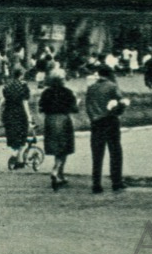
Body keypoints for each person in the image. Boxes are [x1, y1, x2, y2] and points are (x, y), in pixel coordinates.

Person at [85, 65, 130, 193]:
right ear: (110, 74)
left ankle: (96, 184)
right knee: (115, 151)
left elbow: (88, 106)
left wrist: (93, 117)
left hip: (96, 123)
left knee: (97, 154)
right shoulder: (112, 86)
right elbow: (120, 101)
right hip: (110, 121)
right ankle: (116, 181)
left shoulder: (91, 88)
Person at [38, 72, 78, 190]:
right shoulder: (67, 92)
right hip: (63, 120)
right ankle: (56, 171)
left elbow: (41, 108)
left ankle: (61, 174)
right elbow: (74, 108)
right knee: (64, 148)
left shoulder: (46, 93)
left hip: (49, 120)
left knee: (56, 148)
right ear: (61, 81)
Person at [1, 67, 32, 168]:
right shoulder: (24, 86)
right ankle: (16, 156)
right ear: (21, 75)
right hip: (20, 114)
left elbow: (3, 101)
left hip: (8, 113)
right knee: (22, 136)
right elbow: (25, 103)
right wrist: (29, 117)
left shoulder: (7, 86)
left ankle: (18, 160)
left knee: (12, 136)